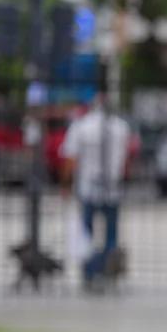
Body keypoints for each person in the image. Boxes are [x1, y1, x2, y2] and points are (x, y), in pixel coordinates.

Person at [59, 94, 132, 292]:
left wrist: (65, 185)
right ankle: (109, 271)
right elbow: (126, 159)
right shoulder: (121, 127)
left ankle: (90, 274)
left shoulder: (81, 126)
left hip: (87, 187)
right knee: (110, 234)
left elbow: (70, 159)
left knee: (87, 234)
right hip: (112, 188)